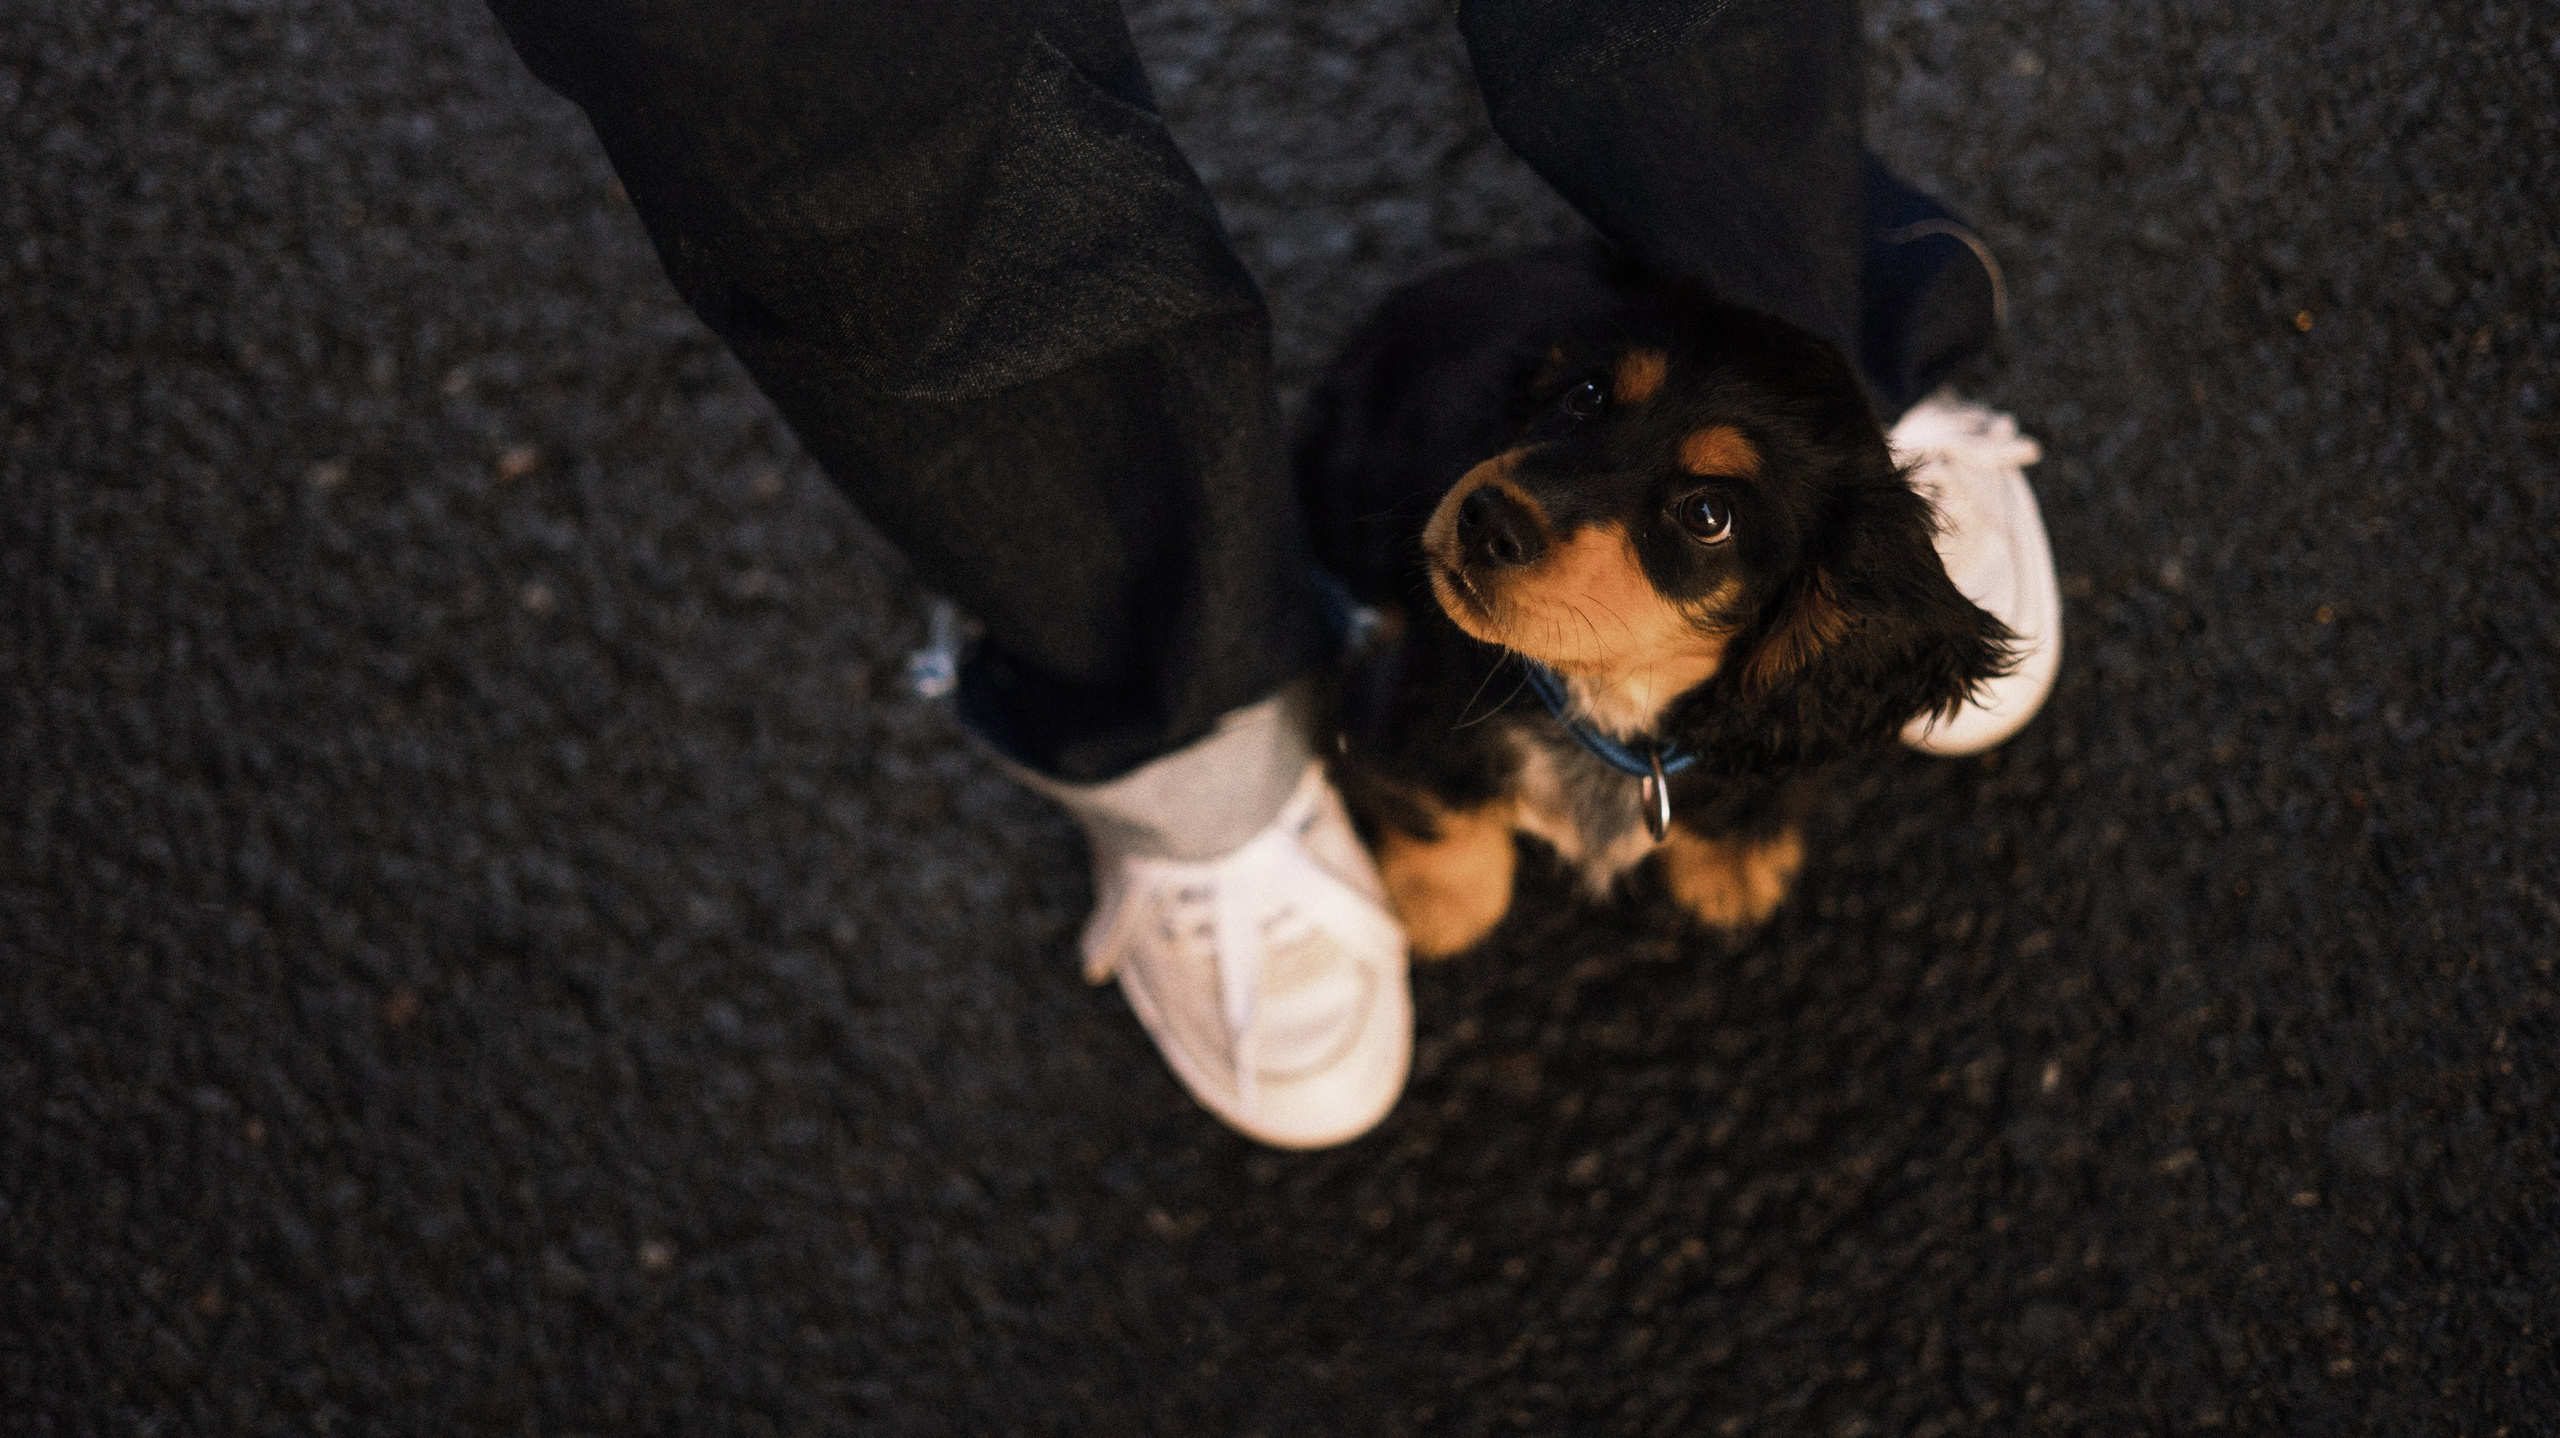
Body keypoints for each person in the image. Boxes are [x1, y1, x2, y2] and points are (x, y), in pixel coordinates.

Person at [482, 0, 2058, 1148]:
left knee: (1717, 129)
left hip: (1769, 650)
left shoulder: (1805, 640)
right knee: (832, 71)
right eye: (1575, 417)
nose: (1514, 507)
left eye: (1701, 523)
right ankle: (1184, 702)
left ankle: (1844, 361)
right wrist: (1447, 832)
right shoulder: (1483, 559)